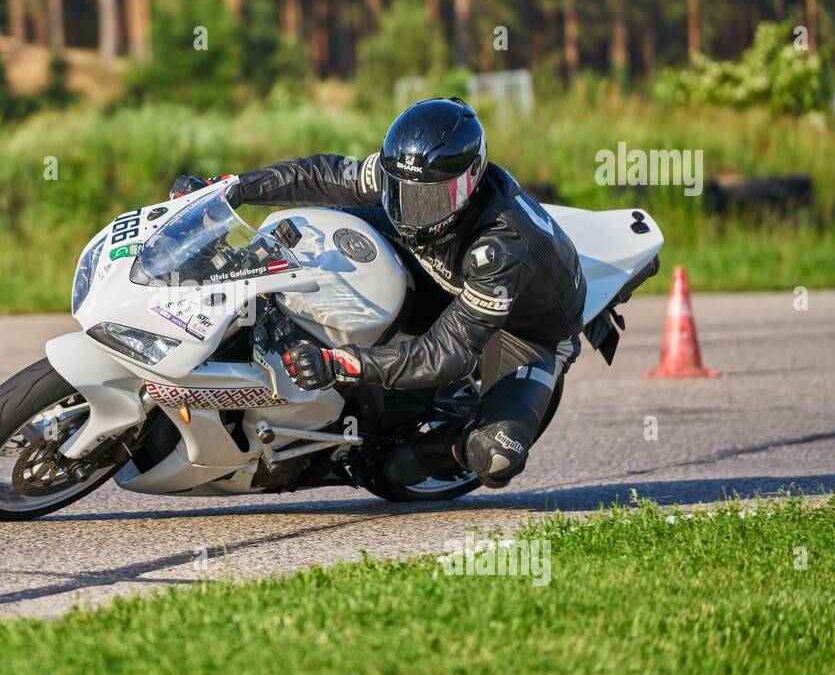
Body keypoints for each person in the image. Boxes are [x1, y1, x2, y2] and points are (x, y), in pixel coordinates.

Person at [170, 97, 586, 489]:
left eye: (427, 199)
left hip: (523, 332)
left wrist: (337, 364)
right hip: (443, 266)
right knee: (310, 230)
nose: (408, 209)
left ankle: (454, 444)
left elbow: (445, 354)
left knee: (493, 457)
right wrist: (231, 189)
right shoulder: (406, 177)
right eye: (399, 190)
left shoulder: (500, 250)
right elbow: (323, 176)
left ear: (468, 184)